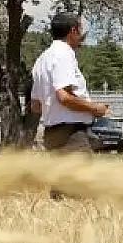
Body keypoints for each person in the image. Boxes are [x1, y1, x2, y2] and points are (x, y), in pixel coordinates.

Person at [30, 12, 110, 152]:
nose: (81, 38)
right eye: (81, 31)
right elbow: (64, 97)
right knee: (85, 174)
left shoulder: (41, 60)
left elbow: (35, 106)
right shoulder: (64, 53)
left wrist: (54, 113)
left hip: (52, 135)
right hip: (71, 136)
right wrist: (94, 108)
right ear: (73, 31)